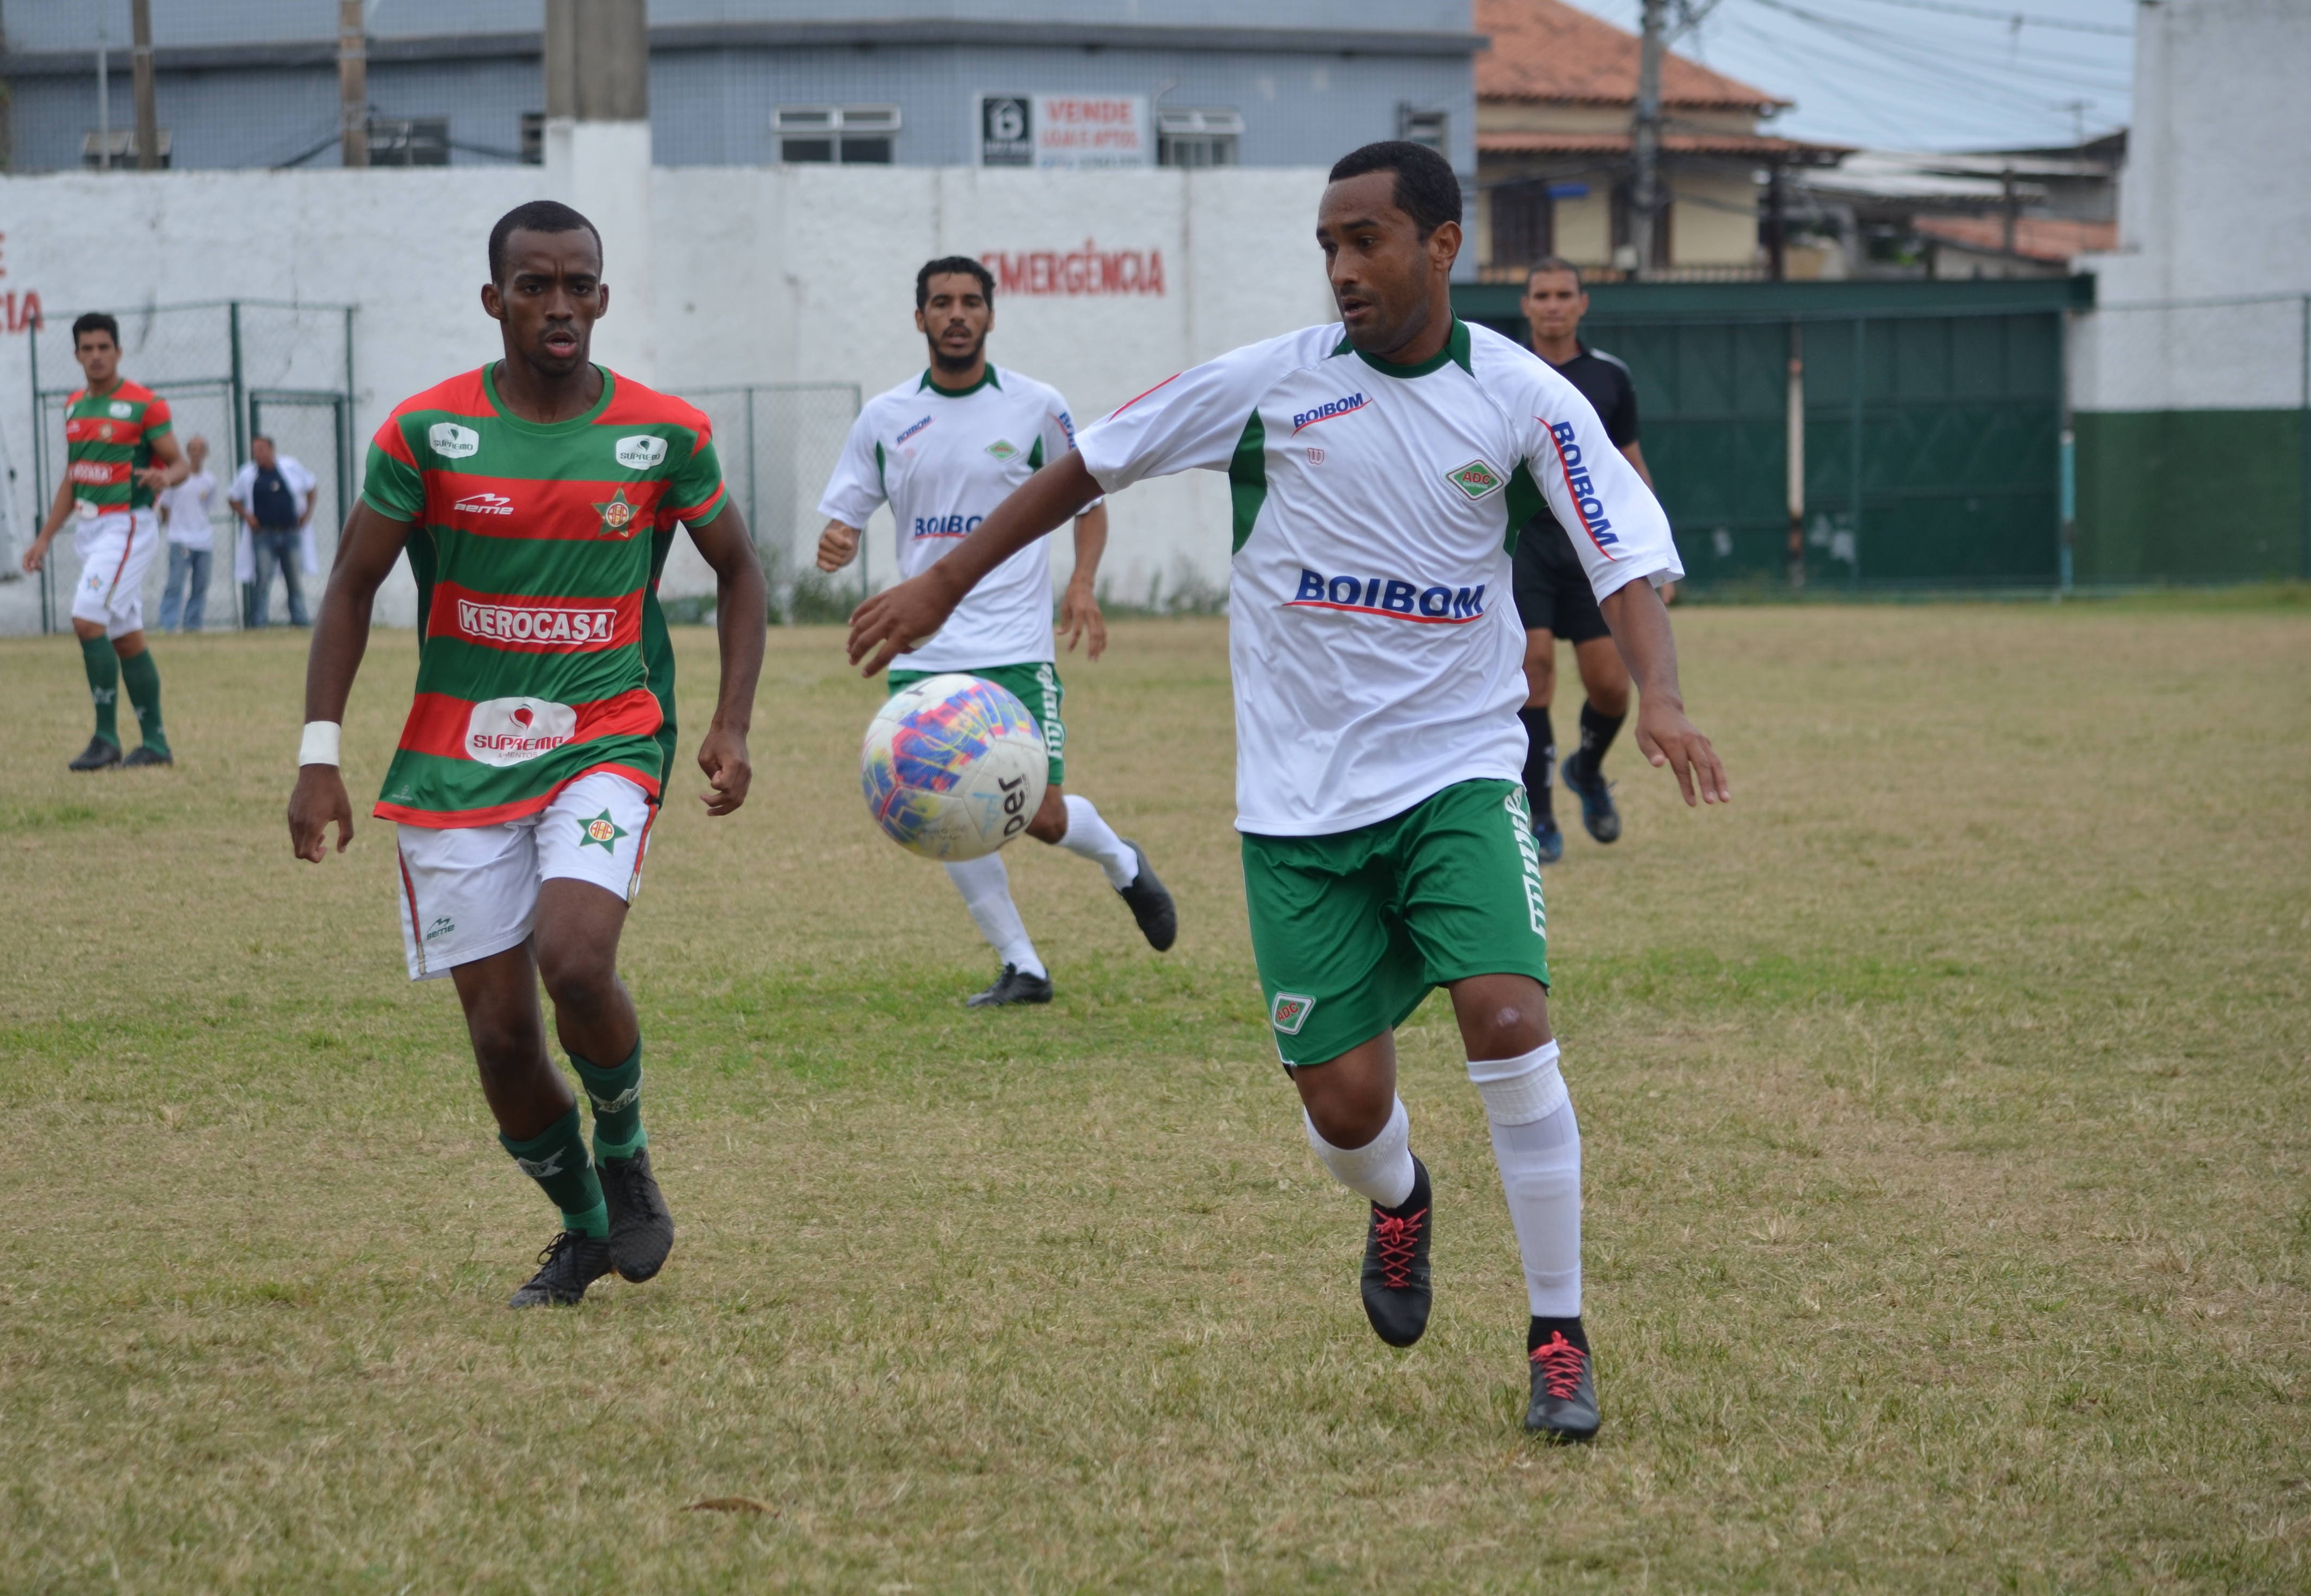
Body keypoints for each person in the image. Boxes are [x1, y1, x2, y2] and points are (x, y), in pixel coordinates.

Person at [846, 142, 1729, 1441]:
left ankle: (1557, 1331)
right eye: (1328, 244)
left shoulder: (1522, 395)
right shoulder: (1269, 385)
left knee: (1505, 1015)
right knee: (1346, 1110)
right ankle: (1398, 1197)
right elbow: (1089, 464)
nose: (1342, 268)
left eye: (1367, 240)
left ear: (1441, 244)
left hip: (1457, 773)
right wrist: (941, 581)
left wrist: (1660, 694)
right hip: (1299, 810)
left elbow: (1623, 556)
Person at [288, 200, 768, 1312]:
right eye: (535, 286)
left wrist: (731, 723)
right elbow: (352, 586)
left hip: (605, 735)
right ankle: (584, 1228)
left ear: (601, 297)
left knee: (577, 959)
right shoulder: (424, 434)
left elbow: (740, 572)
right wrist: (321, 754)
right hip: (455, 766)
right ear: (494, 298)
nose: (559, 306)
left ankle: (625, 1144)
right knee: (502, 1039)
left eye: (578, 286)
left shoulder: (664, 435)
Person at [813, 255, 1178, 1007]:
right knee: (934, 805)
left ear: (990, 315)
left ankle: (1122, 863)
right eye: (941, 303)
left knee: (1041, 816)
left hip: (1013, 647)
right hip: (926, 649)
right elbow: (846, 513)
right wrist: (839, 540)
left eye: (970, 302)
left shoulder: (1036, 406)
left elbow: (1089, 498)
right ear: (919, 318)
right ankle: (1024, 966)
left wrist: (1081, 582)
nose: (956, 314)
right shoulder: (886, 417)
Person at [1512, 257, 1665, 863]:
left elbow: (1628, 464)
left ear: (1582, 303)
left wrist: (1650, 555)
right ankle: (1540, 815)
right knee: (1535, 670)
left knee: (1609, 687)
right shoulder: (1504, 370)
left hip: (1591, 547)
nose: (1551, 305)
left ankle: (1586, 770)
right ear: (1525, 305)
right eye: (1540, 294)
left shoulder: (1609, 377)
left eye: (1562, 294)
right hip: (1524, 542)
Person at [22, 312, 188, 771]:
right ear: (76, 354)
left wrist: (164, 476)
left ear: (118, 351)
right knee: (124, 634)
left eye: (104, 347)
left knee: (86, 619)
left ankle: (105, 738)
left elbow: (179, 465)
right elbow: (73, 480)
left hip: (128, 525)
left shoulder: (144, 405)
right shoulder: (74, 407)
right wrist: (43, 540)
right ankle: (155, 745)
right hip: (91, 531)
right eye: (87, 348)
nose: (96, 356)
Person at [228, 435, 318, 628]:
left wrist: (307, 514)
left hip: (290, 532)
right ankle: (258, 622)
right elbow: (233, 498)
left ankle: (300, 620)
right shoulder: (249, 474)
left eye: (261, 450)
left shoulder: (290, 468)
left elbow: (311, 486)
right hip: (263, 534)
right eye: (255, 451)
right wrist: (247, 516)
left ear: (271, 450)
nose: (258, 454)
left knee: (294, 580)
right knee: (262, 580)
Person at [154, 435, 219, 633]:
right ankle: (168, 625)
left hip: (203, 541)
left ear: (206, 453)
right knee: (175, 585)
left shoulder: (210, 480)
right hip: (180, 540)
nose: (197, 452)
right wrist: (174, 526)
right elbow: (165, 506)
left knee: (200, 585)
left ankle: (193, 625)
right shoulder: (177, 478)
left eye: (201, 448)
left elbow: (207, 507)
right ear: (187, 452)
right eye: (193, 448)